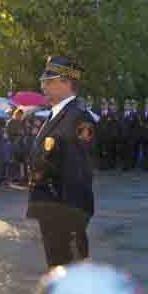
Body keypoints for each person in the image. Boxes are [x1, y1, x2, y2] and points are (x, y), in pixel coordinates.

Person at [27, 56, 95, 268]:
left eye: (49, 81)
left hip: (65, 210)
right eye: (43, 80)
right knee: (57, 266)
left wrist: (73, 218)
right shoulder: (56, 115)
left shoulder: (78, 118)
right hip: (51, 206)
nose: (43, 85)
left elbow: (79, 171)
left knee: (71, 270)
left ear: (66, 83)